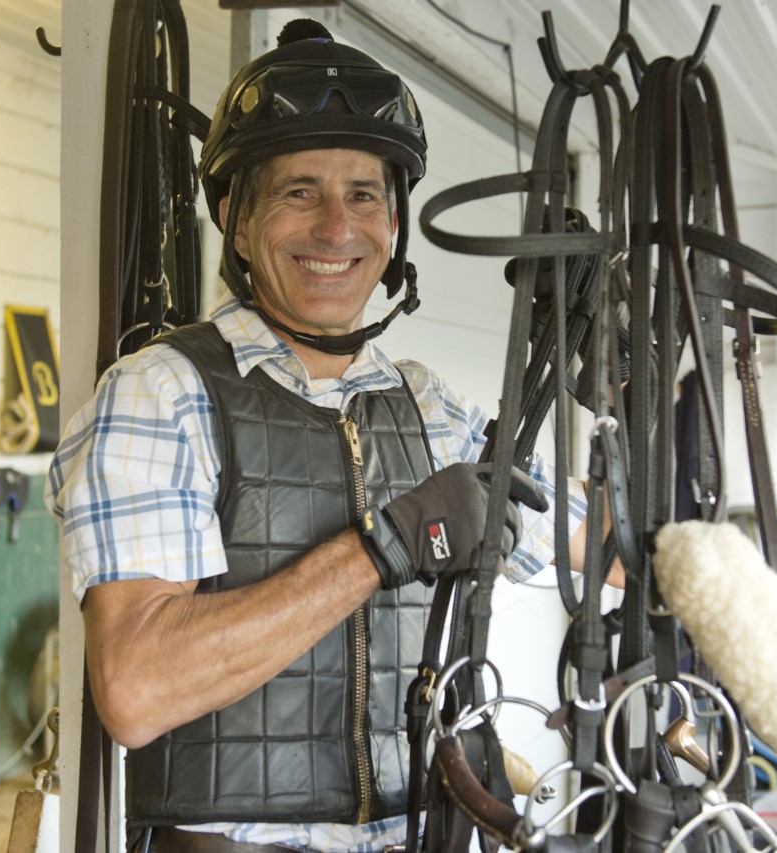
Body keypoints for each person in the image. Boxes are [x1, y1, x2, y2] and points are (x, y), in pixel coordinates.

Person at [47, 19, 597, 853]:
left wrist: (650, 388)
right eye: (300, 192)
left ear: (394, 226)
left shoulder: (427, 406)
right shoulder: (163, 393)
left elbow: (593, 541)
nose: (338, 229)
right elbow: (137, 688)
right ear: (237, 220)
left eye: (365, 195)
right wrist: (384, 546)